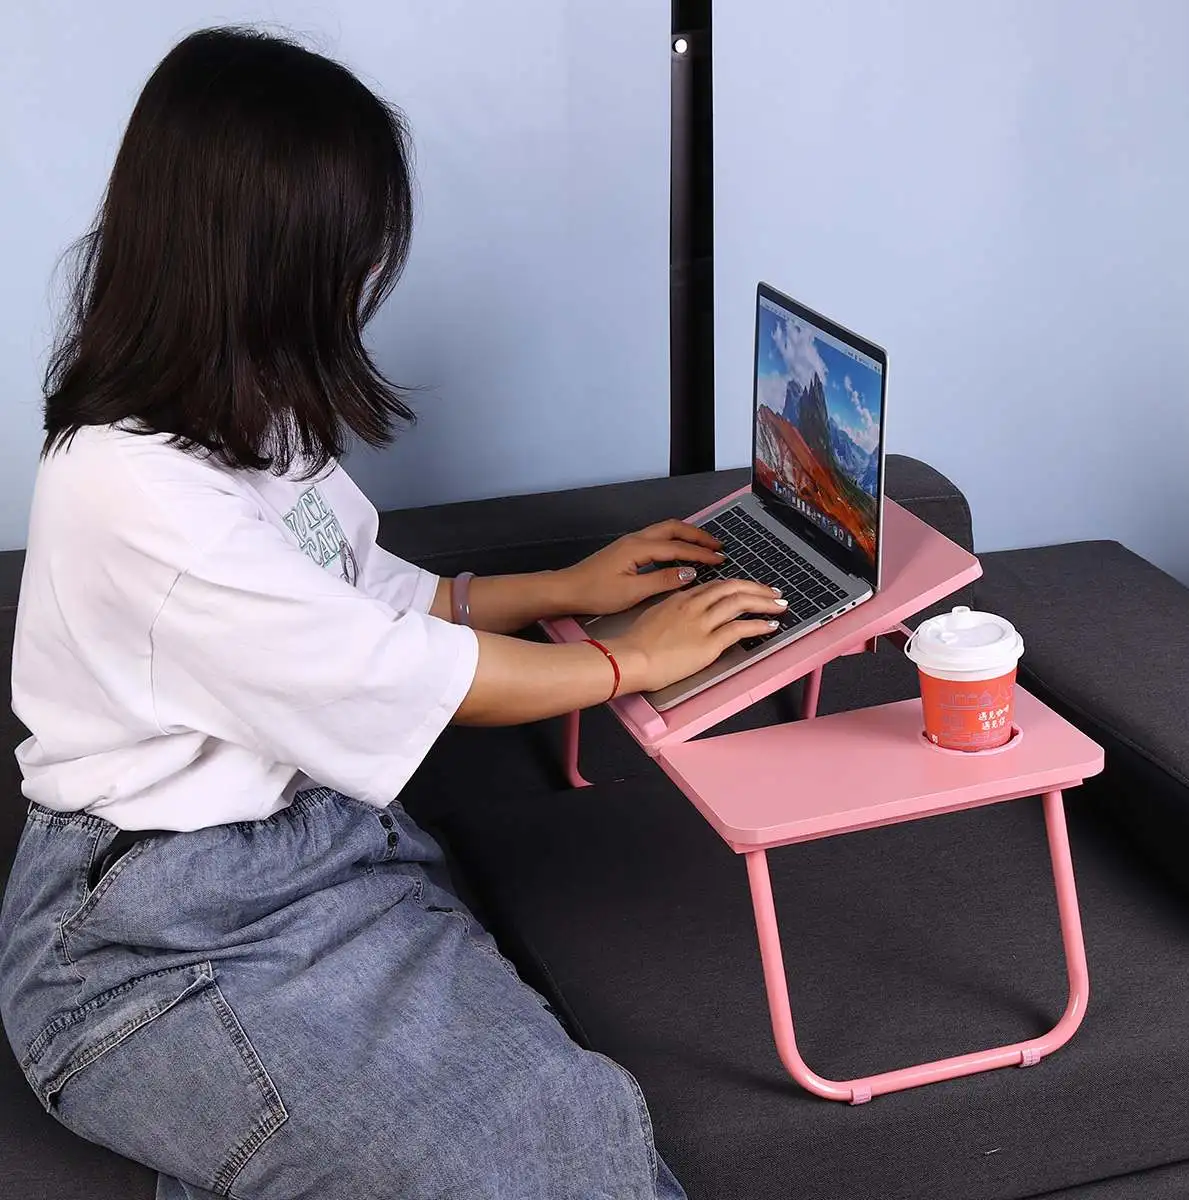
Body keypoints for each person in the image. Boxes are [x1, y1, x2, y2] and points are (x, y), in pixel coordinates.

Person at [0, 28, 784, 1200]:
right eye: (353, 246)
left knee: (569, 1120)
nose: (369, 273)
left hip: (322, 855)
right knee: (538, 1148)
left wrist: (568, 589)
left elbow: (369, 599)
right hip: (149, 940)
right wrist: (627, 664)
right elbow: (388, 669)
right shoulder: (128, 488)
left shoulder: (248, 415)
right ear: (264, 253)